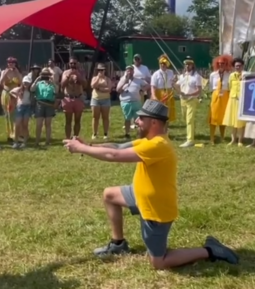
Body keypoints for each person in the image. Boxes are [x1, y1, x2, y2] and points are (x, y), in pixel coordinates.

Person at [63, 100, 239, 270]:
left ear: (153, 122)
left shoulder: (158, 145)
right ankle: (118, 244)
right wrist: (89, 145)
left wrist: (80, 149)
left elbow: (114, 157)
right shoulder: (148, 140)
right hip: (139, 195)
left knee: (159, 262)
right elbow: (117, 147)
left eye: (141, 118)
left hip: (156, 210)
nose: (137, 121)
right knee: (110, 195)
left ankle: (210, 251)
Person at [173, 56, 203, 148]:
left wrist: (189, 95)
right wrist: (175, 86)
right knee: (185, 118)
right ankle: (192, 132)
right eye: (186, 64)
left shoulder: (196, 76)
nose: (187, 66)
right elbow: (177, 86)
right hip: (183, 100)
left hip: (192, 100)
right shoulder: (181, 76)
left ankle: (190, 140)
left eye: (189, 64)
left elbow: (199, 90)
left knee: (189, 120)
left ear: (192, 65)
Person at [117, 65, 148, 140]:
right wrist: (125, 82)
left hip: (136, 102)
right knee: (127, 118)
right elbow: (118, 90)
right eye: (128, 70)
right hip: (125, 102)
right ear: (125, 71)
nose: (129, 72)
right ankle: (127, 134)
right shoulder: (122, 79)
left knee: (138, 119)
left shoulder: (138, 80)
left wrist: (142, 90)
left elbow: (147, 85)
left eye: (131, 70)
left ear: (133, 71)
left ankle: (140, 133)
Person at [208, 55, 233, 145]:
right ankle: (212, 138)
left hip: (225, 96)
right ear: (216, 64)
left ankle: (222, 136)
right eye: (219, 63)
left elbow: (230, 87)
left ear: (226, 64)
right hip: (215, 96)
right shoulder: (213, 75)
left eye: (223, 63)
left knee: (223, 117)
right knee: (213, 117)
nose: (221, 65)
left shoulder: (229, 74)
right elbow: (211, 87)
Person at [61, 57, 87, 138]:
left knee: (77, 120)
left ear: (77, 64)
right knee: (68, 121)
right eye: (71, 63)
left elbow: (85, 85)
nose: (73, 65)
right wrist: (68, 76)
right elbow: (62, 85)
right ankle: (68, 138)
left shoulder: (81, 73)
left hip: (78, 98)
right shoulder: (65, 72)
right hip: (68, 98)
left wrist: (78, 76)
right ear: (69, 64)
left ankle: (75, 138)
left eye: (74, 63)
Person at [223, 58, 246, 146]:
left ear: (242, 66)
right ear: (234, 67)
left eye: (239, 66)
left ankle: (240, 140)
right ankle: (233, 139)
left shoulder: (245, 75)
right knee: (233, 120)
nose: (238, 67)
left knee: (240, 121)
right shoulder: (231, 75)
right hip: (232, 99)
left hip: (242, 100)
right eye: (236, 66)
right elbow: (229, 87)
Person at [31, 68, 57, 146]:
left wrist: (53, 82)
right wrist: (37, 79)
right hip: (40, 104)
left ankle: (47, 141)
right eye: (44, 74)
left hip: (49, 104)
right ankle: (37, 141)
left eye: (47, 75)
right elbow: (32, 89)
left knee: (48, 124)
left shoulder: (52, 84)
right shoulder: (39, 83)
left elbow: (57, 90)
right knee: (39, 124)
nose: (45, 76)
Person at [0, 57, 22, 142]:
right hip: (6, 94)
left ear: (15, 64)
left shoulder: (17, 72)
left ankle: (17, 133)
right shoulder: (4, 72)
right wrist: (6, 73)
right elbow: (0, 82)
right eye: (9, 62)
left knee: (15, 114)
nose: (10, 64)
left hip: (15, 96)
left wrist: (17, 73)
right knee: (8, 115)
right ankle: (9, 134)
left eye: (12, 62)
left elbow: (21, 83)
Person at [151, 54, 176, 123]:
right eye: (161, 63)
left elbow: (173, 83)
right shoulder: (156, 74)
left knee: (168, 110)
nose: (163, 65)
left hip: (169, 93)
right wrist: (153, 96)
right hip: (160, 93)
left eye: (164, 63)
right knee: (160, 110)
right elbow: (153, 86)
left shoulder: (170, 72)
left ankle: (166, 124)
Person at [9, 73, 32, 149]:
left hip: (27, 107)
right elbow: (11, 92)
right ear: (22, 82)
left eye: (27, 83)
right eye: (25, 82)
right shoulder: (19, 89)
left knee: (25, 125)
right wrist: (16, 96)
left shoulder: (30, 90)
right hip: (20, 107)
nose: (26, 84)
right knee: (17, 125)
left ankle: (24, 142)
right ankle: (16, 142)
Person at [90, 63, 112, 140]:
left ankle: (105, 133)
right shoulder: (94, 78)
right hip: (95, 99)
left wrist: (99, 88)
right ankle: (94, 134)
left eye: (102, 70)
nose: (101, 71)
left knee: (105, 117)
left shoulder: (107, 79)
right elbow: (93, 86)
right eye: (99, 70)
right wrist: (98, 79)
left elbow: (109, 89)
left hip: (106, 100)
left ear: (104, 70)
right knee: (95, 117)